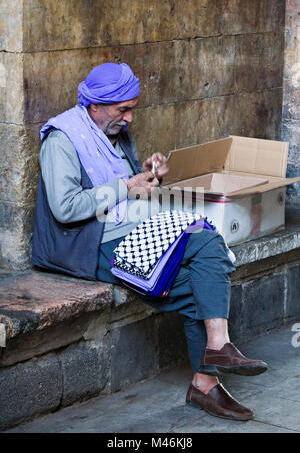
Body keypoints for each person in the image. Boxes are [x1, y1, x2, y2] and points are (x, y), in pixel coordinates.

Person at [32, 62, 268, 421]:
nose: (128, 118)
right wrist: (126, 186)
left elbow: (126, 187)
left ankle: (206, 380)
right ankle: (214, 358)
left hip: (126, 230)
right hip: (87, 244)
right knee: (204, 239)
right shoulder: (61, 139)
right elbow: (66, 209)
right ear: (95, 105)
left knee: (200, 284)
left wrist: (146, 175)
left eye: (131, 109)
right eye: (121, 109)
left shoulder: (115, 131)